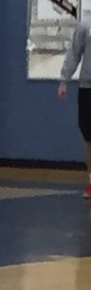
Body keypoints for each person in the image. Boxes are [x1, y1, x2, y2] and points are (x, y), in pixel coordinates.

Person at [57, 18, 91, 199]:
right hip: (88, 88)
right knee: (89, 138)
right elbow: (74, 53)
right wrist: (64, 80)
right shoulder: (86, 26)